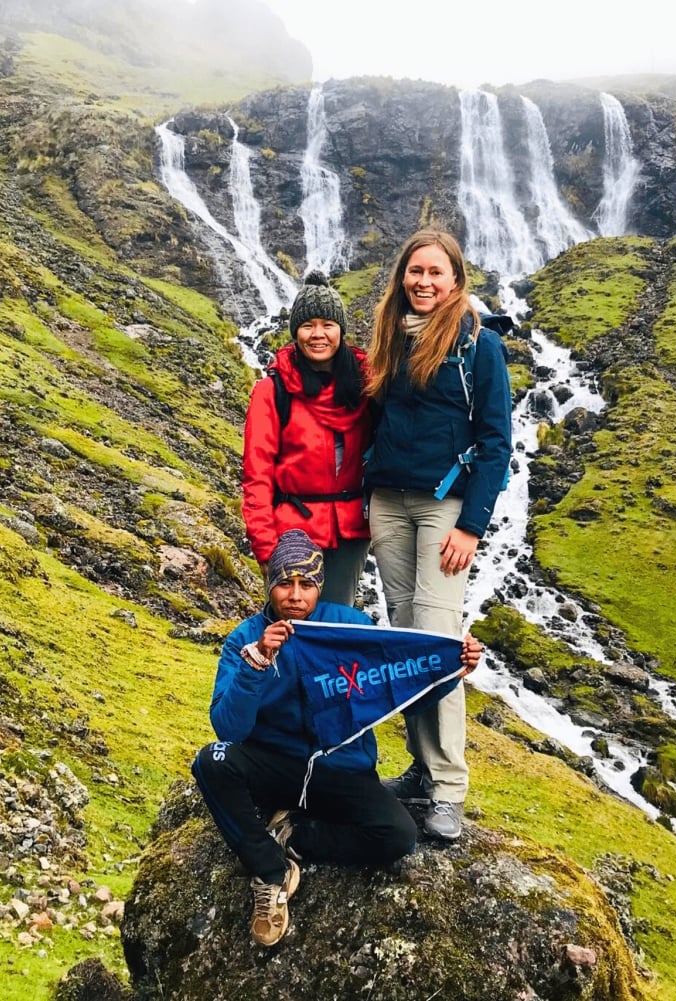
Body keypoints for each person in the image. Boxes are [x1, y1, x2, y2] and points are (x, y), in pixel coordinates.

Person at [192, 529, 483, 946]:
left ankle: (292, 836)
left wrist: (450, 673)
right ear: (269, 585)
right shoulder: (244, 638)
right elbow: (229, 728)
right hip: (276, 768)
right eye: (285, 583)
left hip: (343, 772)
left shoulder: (349, 627)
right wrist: (256, 663)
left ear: (320, 586)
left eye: (306, 585)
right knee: (213, 760)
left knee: (398, 836)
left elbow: (401, 695)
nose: (295, 595)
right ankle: (270, 870)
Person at [363, 228, 514, 840]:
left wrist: (473, 526)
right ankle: (423, 771)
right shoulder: (389, 339)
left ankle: (449, 786)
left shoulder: (479, 346)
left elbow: (498, 440)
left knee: (436, 642)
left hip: (444, 509)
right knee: (408, 644)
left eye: (435, 273)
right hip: (389, 505)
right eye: (414, 271)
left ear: (456, 280)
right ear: (402, 275)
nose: (423, 282)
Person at [242, 273, 374, 607]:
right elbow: (256, 475)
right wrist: (265, 545)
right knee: (289, 625)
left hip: (350, 531)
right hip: (292, 529)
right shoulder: (273, 391)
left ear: (341, 330)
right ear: (295, 331)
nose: (318, 334)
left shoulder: (368, 383)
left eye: (328, 324)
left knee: (335, 623)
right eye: (307, 325)